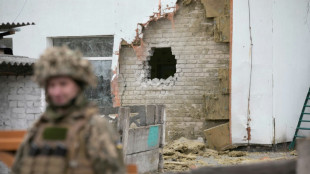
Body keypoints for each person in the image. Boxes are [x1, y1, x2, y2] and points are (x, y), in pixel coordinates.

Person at [11, 46, 125, 174]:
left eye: (63, 84)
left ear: (78, 85)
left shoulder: (95, 127)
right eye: (52, 85)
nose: (56, 92)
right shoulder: (39, 127)